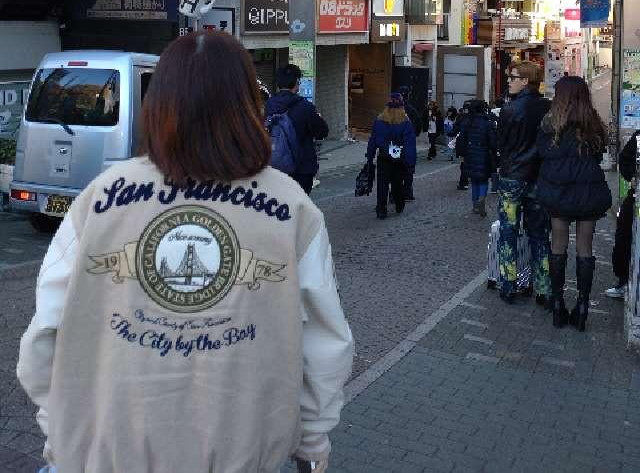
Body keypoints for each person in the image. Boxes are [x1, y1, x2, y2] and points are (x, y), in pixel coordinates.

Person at [17, 32, 353, 473]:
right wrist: (311, 442)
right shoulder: (291, 208)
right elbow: (324, 346)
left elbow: (44, 337)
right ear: (248, 105)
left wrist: (62, 428)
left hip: (103, 454)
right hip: (241, 456)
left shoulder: (98, 200)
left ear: (158, 105)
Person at [536, 76, 612, 330]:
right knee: (585, 247)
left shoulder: (549, 124)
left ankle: (557, 304)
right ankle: (582, 306)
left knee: (557, 245)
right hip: (588, 194)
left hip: (558, 193)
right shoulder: (594, 125)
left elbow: (542, 153)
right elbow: (601, 152)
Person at [497, 61, 551, 305]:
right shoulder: (548, 109)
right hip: (538, 177)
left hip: (512, 177)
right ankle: (543, 287)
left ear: (525, 80)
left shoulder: (510, 109)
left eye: (513, 77)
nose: (509, 80)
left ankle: (508, 284)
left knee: (508, 231)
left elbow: (502, 144)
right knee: (539, 233)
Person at [266, 63, 329, 195]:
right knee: (299, 210)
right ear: (297, 83)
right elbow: (322, 132)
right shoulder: (305, 107)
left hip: (275, 167)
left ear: (278, 84)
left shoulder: (268, 106)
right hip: (301, 169)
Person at [366, 92, 417, 219]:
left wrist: (370, 155)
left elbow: (373, 139)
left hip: (383, 157)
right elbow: (409, 144)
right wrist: (410, 163)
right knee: (397, 183)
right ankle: (399, 204)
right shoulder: (405, 121)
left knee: (382, 184)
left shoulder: (380, 120)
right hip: (398, 158)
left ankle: (381, 209)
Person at [605, 130, 637, 298]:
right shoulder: (639, 137)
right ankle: (624, 281)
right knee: (624, 234)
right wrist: (632, 176)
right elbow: (625, 159)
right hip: (636, 196)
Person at [455, 100, 497, 217]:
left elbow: (461, 139)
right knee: (483, 179)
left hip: (470, 154)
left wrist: (462, 153)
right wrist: (494, 151)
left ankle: (475, 205)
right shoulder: (487, 123)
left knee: (474, 180)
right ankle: (482, 198)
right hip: (483, 154)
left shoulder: (467, 122)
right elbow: (493, 141)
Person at [399, 86, 422, 201]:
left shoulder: (390, 110)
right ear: (408, 95)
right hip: (408, 144)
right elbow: (418, 126)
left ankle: (394, 195)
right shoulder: (411, 110)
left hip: (395, 144)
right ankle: (407, 193)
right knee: (408, 170)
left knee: (395, 169)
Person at [454, 102, 471, 190]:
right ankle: (466, 180)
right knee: (467, 162)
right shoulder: (472, 117)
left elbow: (455, 129)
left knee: (464, 163)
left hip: (462, 143)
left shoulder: (461, 117)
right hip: (470, 144)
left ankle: (463, 182)